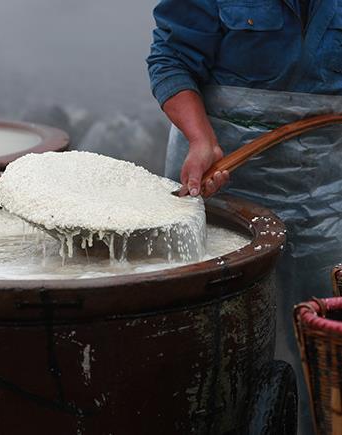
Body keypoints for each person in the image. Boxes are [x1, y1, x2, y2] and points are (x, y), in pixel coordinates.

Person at [147, 0, 342, 433]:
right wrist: (201, 140)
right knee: (213, 338)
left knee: (328, 343)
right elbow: (172, 58)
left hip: (327, 187)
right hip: (225, 178)